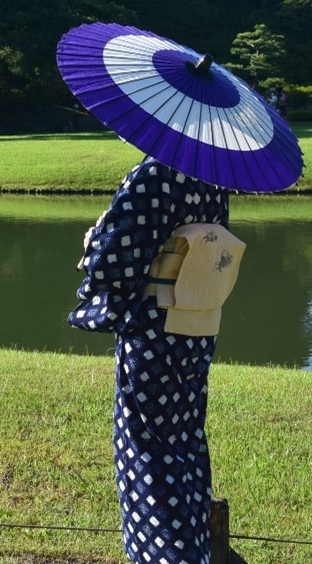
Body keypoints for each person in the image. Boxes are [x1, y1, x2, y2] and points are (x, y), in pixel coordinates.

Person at [69, 157, 230, 564]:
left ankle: (165, 556)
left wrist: (93, 246)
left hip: (154, 331)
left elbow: (114, 263)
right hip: (195, 326)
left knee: (147, 449)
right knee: (185, 440)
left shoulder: (157, 173)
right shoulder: (212, 174)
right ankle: (193, 550)